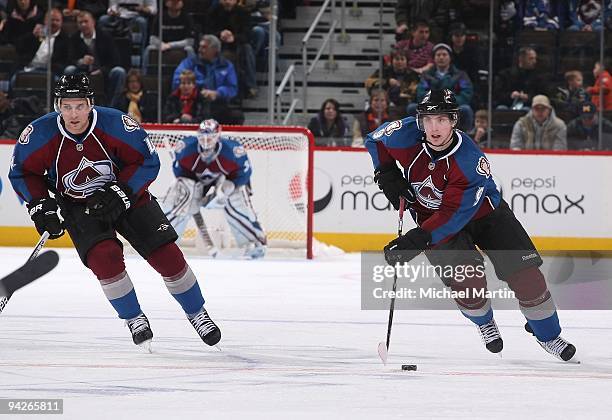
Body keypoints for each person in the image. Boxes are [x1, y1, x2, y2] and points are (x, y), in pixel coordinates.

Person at [8, 74, 221, 350]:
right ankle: (134, 317)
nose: (74, 114)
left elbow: (147, 161)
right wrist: (39, 204)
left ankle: (197, 313)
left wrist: (123, 191)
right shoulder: (38, 134)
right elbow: (22, 173)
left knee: (167, 256)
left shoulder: (117, 124)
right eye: (67, 106)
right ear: (57, 105)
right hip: (78, 205)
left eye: (80, 105)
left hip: (128, 197)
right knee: (104, 259)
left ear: (91, 105)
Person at [364, 88, 577, 362]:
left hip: (486, 216)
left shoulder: (470, 161)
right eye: (427, 120)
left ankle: (548, 335)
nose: (433, 127)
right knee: (467, 282)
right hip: (432, 219)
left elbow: (453, 215)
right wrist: (386, 172)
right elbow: (375, 140)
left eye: (441, 120)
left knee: (528, 278)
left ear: (454, 121)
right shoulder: (404, 134)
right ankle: (484, 322)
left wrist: (417, 240)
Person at [164, 119, 267, 259]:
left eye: (210, 137)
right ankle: (164, 242)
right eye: (202, 137)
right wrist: (193, 192)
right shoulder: (187, 149)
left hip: (226, 180)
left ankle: (254, 243)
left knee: (237, 198)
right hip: (197, 180)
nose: (206, 142)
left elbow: (245, 173)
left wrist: (229, 186)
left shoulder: (232, 151)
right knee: (181, 195)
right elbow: (180, 174)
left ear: (218, 136)